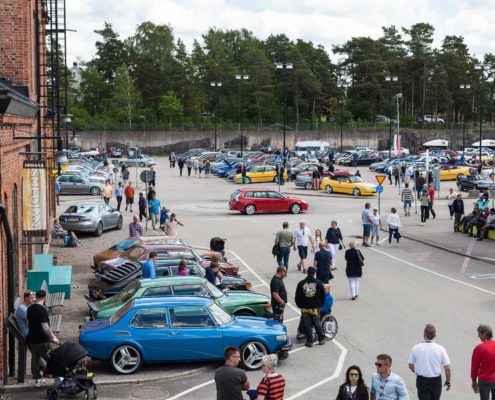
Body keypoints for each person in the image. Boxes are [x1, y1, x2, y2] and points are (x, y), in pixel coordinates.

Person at [408, 324, 451, 400]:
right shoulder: (441, 349)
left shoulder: (416, 348)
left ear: (424, 335)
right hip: (436, 381)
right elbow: (447, 368)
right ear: (435, 335)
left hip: (422, 380)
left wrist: (416, 371)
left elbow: (410, 365)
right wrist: (448, 381)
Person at [27, 290, 60, 387]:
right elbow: (45, 326)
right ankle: (58, 377)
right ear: (45, 297)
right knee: (51, 358)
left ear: (36, 297)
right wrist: (53, 337)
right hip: (43, 341)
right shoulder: (42, 310)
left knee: (35, 359)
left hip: (32, 339)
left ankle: (37, 380)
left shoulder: (30, 308)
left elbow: (28, 323)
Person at [295, 266, 325, 347]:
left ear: (307, 273)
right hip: (315, 308)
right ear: (314, 273)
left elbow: (297, 296)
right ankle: (321, 339)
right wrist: (320, 304)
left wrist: (299, 305)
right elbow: (323, 295)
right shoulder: (318, 283)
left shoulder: (301, 283)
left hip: (304, 308)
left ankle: (310, 342)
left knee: (307, 325)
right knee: (317, 323)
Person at [471, 324, 495, 400]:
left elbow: (475, 367)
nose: (478, 336)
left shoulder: (480, 348)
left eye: (479, 334)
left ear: (484, 333)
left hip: (485, 380)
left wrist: (474, 380)